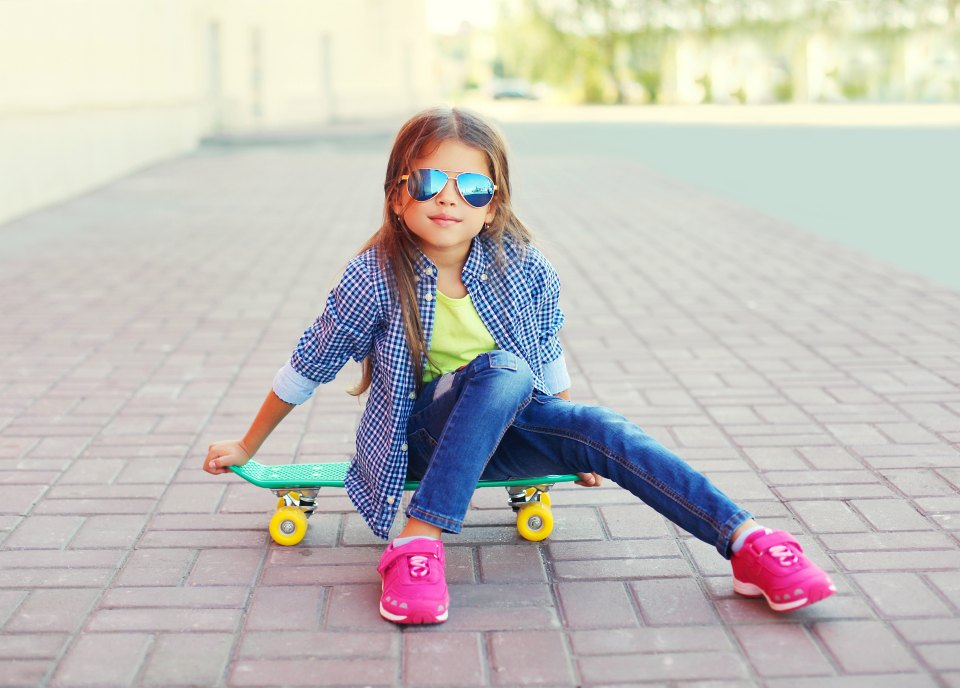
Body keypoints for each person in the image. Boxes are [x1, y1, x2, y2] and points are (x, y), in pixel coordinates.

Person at [203, 106, 835, 625]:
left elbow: (550, 351)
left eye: (471, 187)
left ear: (491, 203)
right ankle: (417, 542)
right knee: (502, 368)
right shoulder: (375, 276)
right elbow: (309, 363)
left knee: (602, 428)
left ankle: (747, 542)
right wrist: (248, 443)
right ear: (398, 196)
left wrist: (576, 443)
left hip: (512, 431)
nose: (448, 198)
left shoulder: (523, 267)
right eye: (428, 181)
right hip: (424, 441)